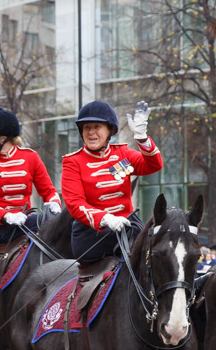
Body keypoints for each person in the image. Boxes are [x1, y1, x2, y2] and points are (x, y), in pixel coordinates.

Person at [61, 100, 163, 264]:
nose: (91, 132)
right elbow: (74, 203)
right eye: (87, 127)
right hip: (92, 234)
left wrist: (142, 138)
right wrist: (106, 219)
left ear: (109, 131)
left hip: (128, 226)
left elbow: (154, 165)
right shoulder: (73, 162)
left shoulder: (122, 154)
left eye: (97, 127)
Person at [0, 108, 61, 245]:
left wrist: (54, 202)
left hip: (26, 221)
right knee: (38, 223)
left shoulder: (31, 157)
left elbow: (48, 191)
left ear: (2, 138)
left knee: (53, 223)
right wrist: (7, 216)